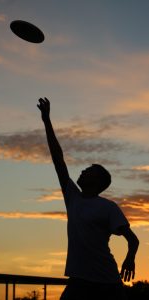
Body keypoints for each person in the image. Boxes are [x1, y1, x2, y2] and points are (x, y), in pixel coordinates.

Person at [37, 97, 139, 300]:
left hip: (107, 282)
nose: (83, 170)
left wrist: (129, 259)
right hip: (79, 279)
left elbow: (133, 239)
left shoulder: (108, 207)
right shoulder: (73, 197)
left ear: (99, 182)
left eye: (89, 170)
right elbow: (58, 158)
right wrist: (47, 121)